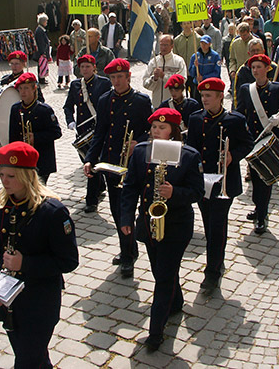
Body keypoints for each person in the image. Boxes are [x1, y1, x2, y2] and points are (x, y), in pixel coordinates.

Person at [0, 142, 79, 368]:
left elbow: (68, 261)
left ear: (27, 177)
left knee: (27, 361)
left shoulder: (52, 212)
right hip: (7, 298)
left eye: (11, 176)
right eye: (2, 175)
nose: (4, 181)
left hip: (38, 301)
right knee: (32, 357)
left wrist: (25, 263)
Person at [120, 108, 203, 352]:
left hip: (176, 226)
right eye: (154, 127)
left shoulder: (189, 156)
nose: (156, 132)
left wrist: (174, 193)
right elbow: (130, 187)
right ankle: (175, 301)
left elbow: (198, 192)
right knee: (160, 271)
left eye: (162, 128)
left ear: (174, 132)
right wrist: (126, 217)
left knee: (164, 276)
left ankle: (156, 331)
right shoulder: (142, 152)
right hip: (148, 224)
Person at [83, 59, 152, 277]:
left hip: (134, 164)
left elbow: (152, 130)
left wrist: (138, 142)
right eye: (113, 78)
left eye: (120, 77)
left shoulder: (141, 100)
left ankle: (128, 254)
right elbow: (100, 132)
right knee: (116, 211)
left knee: (128, 209)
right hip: (112, 162)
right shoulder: (105, 100)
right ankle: (128, 249)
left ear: (129, 77)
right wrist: (90, 159)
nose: (117, 81)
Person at [187, 78, 253, 293]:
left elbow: (248, 143)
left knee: (216, 226)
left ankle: (212, 272)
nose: (204, 100)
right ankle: (218, 257)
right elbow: (192, 149)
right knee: (209, 225)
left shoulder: (234, 120)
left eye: (209, 96)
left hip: (225, 181)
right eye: (202, 96)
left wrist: (233, 155)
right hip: (203, 181)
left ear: (220, 97)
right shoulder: (196, 119)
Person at [235, 55, 279, 230]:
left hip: (270, 140)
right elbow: (240, 112)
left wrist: (278, 119)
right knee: (255, 178)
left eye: (259, 67)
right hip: (253, 140)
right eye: (253, 68)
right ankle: (258, 207)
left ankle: (262, 215)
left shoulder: (278, 89)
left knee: (266, 179)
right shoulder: (246, 89)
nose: (256, 71)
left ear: (267, 69)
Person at [63, 54, 112, 212]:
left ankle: (91, 200)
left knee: (91, 163)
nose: (85, 69)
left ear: (94, 68)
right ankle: (100, 186)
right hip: (82, 132)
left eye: (87, 66)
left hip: (98, 130)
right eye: (82, 67)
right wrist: (70, 120)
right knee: (89, 162)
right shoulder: (76, 84)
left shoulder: (103, 83)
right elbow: (68, 106)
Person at [8, 73, 62, 184]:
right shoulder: (15, 109)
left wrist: (36, 137)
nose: (23, 92)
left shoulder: (44, 110)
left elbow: (56, 132)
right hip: (23, 159)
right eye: (21, 88)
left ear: (34, 89)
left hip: (41, 159)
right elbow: (12, 136)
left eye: (26, 88)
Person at [232, 38, 279, 109]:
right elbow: (237, 95)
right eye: (253, 50)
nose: (256, 53)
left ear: (263, 51)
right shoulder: (243, 71)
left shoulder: (274, 69)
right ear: (249, 53)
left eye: (258, 50)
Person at [143, 35, 188, 106]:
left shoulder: (179, 61)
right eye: (161, 45)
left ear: (172, 46)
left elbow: (182, 80)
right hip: (157, 104)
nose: (163, 48)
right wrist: (154, 78)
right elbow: (145, 84)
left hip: (174, 105)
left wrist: (164, 76)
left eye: (166, 45)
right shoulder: (153, 62)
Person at [174, 22, 202, 92]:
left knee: (194, 94)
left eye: (188, 23)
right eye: (184, 24)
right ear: (181, 25)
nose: (186, 25)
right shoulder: (177, 40)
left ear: (191, 24)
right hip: (181, 72)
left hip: (194, 72)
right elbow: (175, 55)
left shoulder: (198, 39)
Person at [34, 13, 51, 84]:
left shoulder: (41, 30)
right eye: (46, 21)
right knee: (41, 65)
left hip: (43, 51)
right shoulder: (39, 31)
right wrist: (43, 52)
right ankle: (41, 79)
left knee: (43, 65)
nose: (46, 22)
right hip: (41, 52)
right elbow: (41, 43)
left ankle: (42, 78)